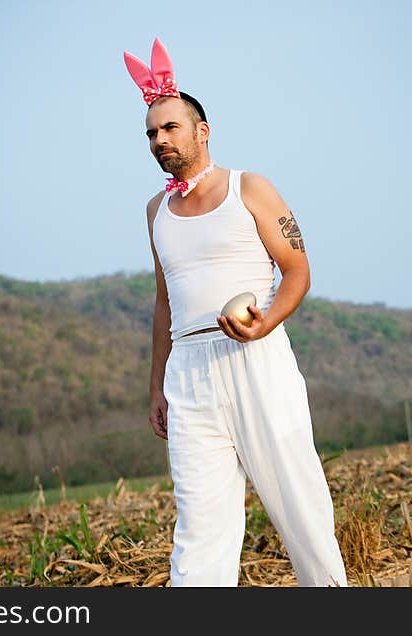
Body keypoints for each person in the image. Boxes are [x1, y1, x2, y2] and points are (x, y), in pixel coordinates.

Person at [124, 38, 347, 587]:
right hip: (189, 374)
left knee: (300, 506)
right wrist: (157, 388)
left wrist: (265, 323)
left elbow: (298, 270)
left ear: (202, 131)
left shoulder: (250, 187)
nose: (159, 140)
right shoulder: (156, 211)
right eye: (151, 133)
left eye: (170, 127)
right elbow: (163, 301)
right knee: (200, 527)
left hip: (257, 357)